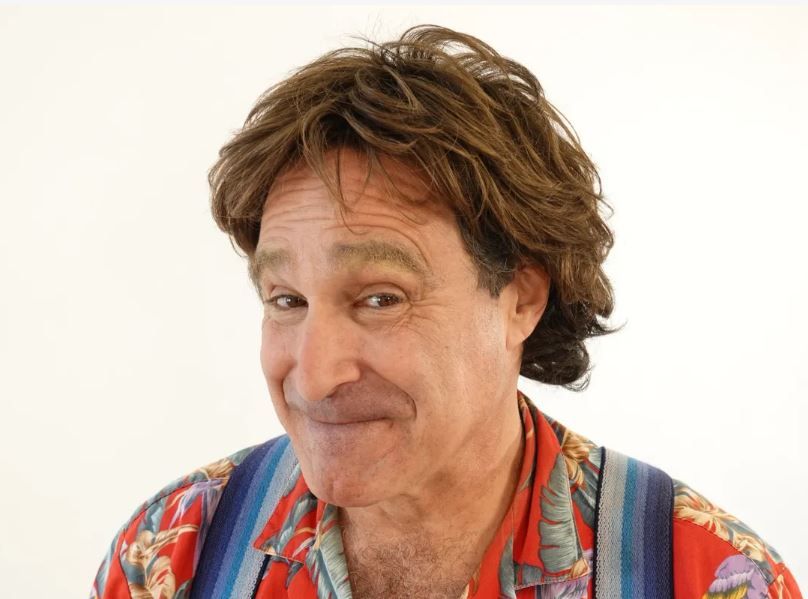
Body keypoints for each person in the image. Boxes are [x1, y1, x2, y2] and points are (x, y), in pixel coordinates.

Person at [89, 25, 801, 599]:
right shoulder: (172, 554)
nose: (314, 374)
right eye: (287, 300)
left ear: (520, 298)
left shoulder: (706, 577)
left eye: (380, 299)